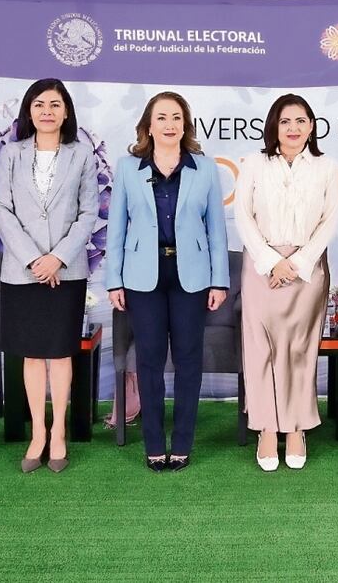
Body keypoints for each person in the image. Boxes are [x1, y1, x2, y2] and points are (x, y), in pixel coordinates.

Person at [105, 91, 228, 472]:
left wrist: (219, 281)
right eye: (162, 117)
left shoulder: (205, 169)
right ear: (148, 125)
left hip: (192, 276)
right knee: (150, 359)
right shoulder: (128, 168)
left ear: (185, 124)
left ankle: (183, 442)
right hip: (143, 275)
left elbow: (216, 231)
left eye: (177, 117)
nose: (170, 124)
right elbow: (116, 228)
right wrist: (114, 281)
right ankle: (155, 442)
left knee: (190, 359)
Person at [0, 79, 99, 474]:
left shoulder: (82, 155)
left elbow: (88, 213)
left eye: (55, 104)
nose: (48, 111)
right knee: (32, 354)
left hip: (66, 271)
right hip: (22, 273)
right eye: (40, 105)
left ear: (66, 111)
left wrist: (56, 259)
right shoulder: (11, 154)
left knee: (60, 353)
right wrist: (35, 260)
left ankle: (58, 431)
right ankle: (37, 432)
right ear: (29, 111)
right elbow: (2, 210)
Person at [234, 93, 338, 471]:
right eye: (285, 122)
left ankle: (296, 428)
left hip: (307, 270)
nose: (293, 129)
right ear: (273, 127)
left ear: (312, 126)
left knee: (300, 350)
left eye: (301, 121)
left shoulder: (327, 167)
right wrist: (270, 262)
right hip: (262, 270)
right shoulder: (253, 164)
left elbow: (330, 220)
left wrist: (297, 263)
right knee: (260, 350)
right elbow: (243, 217)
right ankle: (265, 428)